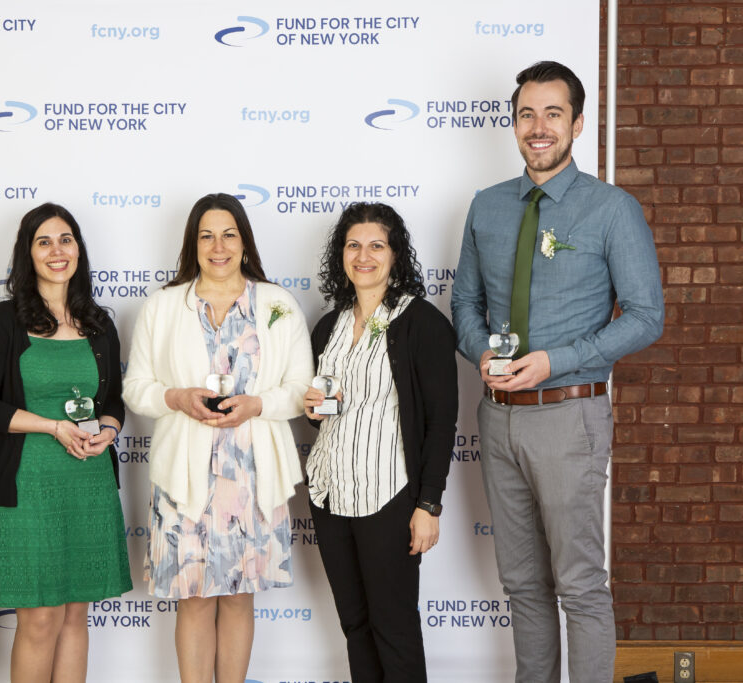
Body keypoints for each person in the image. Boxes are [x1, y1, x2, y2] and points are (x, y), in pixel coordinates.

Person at [451, 61, 664, 682]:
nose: (538, 128)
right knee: (522, 583)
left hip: (571, 416)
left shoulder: (611, 208)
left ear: (576, 122)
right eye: (526, 114)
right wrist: (478, 351)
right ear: (513, 123)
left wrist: (556, 360)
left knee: (579, 584)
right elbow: (465, 303)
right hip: (498, 420)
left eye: (552, 114)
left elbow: (646, 317)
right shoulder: (487, 208)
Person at [123, 193, 313, 683]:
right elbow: (136, 389)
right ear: (192, 244)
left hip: (254, 476)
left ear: (245, 241)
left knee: (237, 597)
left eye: (229, 233)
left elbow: (300, 391)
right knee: (193, 598)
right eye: (206, 235)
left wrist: (257, 405)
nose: (218, 245)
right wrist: (175, 397)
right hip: (184, 480)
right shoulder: (165, 306)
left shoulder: (277, 304)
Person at [0, 202, 131, 683]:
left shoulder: (99, 322)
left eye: (66, 239)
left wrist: (109, 431)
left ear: (79, 248)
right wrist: (53, 426)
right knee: (40, 618)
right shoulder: (3, 320)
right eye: (44, 241)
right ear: (27, 254)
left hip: (89, 479)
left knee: (76, 615)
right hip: (27, 483)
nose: (58, 251)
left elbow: (114, 400)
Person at [302, 202, 458, 683]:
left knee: (394, 627)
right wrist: (313, 411)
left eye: (376, 245)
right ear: (340, 255)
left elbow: (441, 420)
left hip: (388, 496)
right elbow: (330, 413)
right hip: (330, 495)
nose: (363, 256)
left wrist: (428, 503)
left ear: (395, 255)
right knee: (355, 626)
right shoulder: (328, 326)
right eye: (353, 245)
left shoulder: (422, 323)